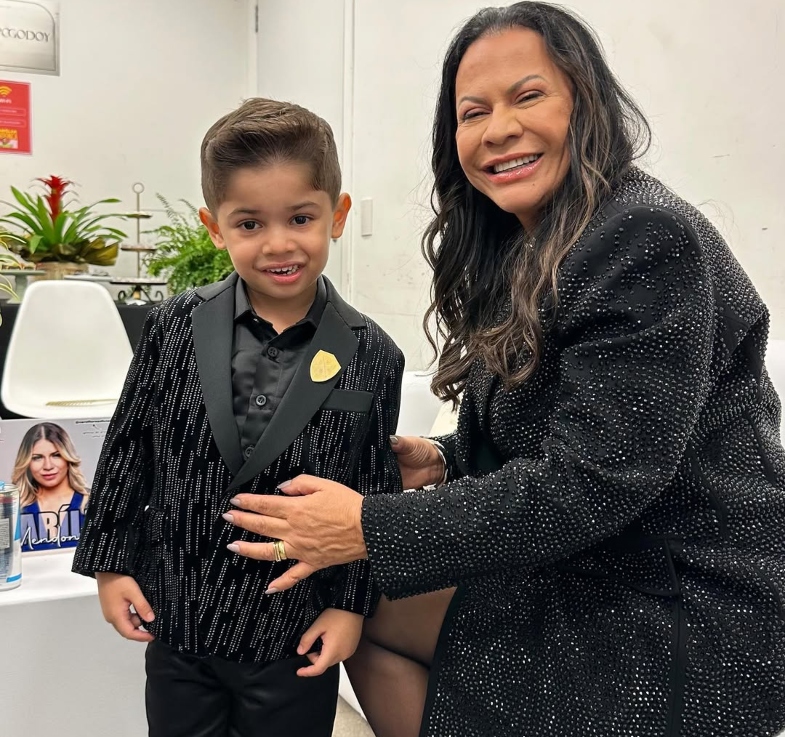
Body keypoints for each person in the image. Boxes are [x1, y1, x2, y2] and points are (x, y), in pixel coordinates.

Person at [220, 3, 785, 737]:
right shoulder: (535, 242)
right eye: (473, 111)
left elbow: (595, 480)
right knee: (356, 597)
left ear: (585, 102)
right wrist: (444, 457)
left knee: (361, 586)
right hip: (592, 557)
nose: (497, 129)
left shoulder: (644, 236)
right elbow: (562, 428)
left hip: (678, 598)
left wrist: (367, 525)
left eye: (528, 96)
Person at [72, 97, 405, 737]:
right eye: (250, 223)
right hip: (179, 614)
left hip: (291, 627)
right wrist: (111, 564)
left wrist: (350, 606)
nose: (279, 244)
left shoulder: (374, 354)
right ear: (214, 227)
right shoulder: (171, 326)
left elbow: (372, 492)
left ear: (337, 215)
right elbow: (128, 449)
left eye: (301, 218)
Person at [14, 421, 90, 552]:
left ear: (67, 457)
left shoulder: (94, 503)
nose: (48, 466)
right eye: (37, 458)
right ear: (27, 462)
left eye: (56, 455)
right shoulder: (13, 508)